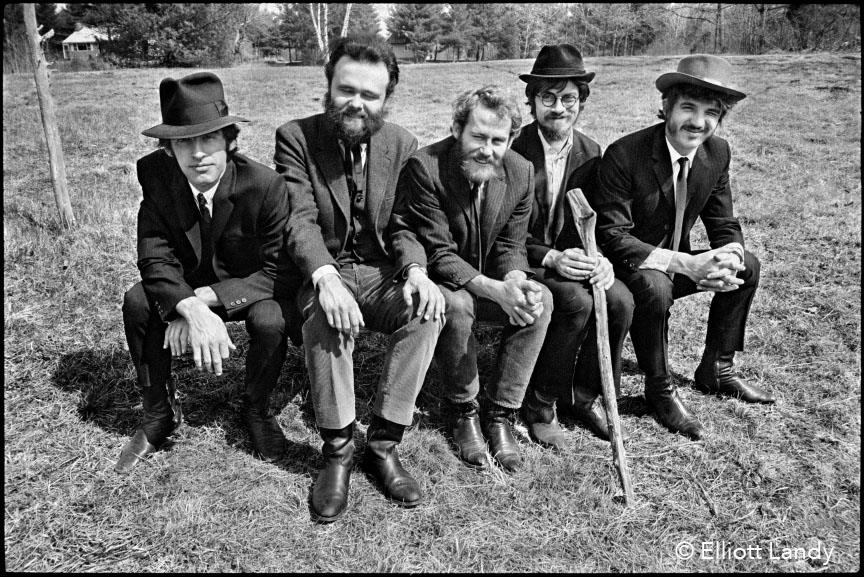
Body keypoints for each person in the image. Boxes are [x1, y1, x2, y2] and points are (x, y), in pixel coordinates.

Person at [274, 38, 445, 523]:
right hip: (324, 267)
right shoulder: (297, 138)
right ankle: (338, 449)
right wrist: (324, 277)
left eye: (370, 95)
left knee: (427, 312)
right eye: (346, 89)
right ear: (328, 87)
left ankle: (385, 445)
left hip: (379, 271)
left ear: (386, 98)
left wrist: (415, 270)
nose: (357, 103)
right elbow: (299, 219)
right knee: (326, 318)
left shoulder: (401, 144)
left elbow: (405, 224)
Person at [116, 72, 299, 474]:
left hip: (246, 288)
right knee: (137, 301)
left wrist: (199, 302)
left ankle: (256, 408)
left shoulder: (265, 185)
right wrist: (183, 306)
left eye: (209, 140)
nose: (197, 154)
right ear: (168, 149)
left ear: (230, 142)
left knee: (272, 318)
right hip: (185, 286)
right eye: (184, 142)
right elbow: (153, 257)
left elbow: (277, 271)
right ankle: (158, 413)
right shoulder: (157, 176)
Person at [591, 54, 775, 441]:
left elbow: (724, 222)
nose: (698, 122)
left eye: (711, 112)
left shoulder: (717, 153)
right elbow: (614, 236)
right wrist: (686, 264)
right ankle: (659, 390)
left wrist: (728, 255)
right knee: (655, 287)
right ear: (666, 108)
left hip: (678, 262)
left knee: (748, 266)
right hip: (627, 266)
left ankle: (717, 369)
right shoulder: (625, 154)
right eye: (688, 108)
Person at [393, 85, 553, 473]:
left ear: (511, 138)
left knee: (540, 299)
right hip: (441, 281)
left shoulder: (520, 170)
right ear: (457, 129)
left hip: (491, 279)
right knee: (459, 304)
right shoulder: (425, 166)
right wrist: (493, 289)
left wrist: (515, 281)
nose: (487, 150)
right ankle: (463, 410)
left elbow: (511, 246)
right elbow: (438, 252)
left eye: (498, 140)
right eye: (478, 137)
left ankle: (501, 414)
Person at [510, 44, 634, 448]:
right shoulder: (512, 150)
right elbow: (500, 234)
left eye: (568, 98)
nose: (558, 108)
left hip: (571, 259)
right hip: (523, 258)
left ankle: (584, 397)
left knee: (620, 301)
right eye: (547, 97)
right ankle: (540, 407)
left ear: (581, 102)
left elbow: (596, 219)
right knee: (576, 303)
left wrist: (601, 261)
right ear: (532, 102)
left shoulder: (591, 153)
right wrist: (550, 257)